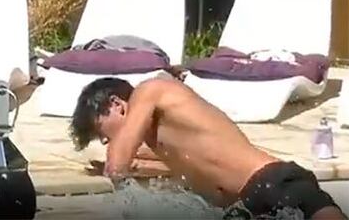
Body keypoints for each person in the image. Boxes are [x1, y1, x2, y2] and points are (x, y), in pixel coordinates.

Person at [70, 75, 346, 220]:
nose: (105, 141)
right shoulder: (163, 139)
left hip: (274, 182)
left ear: (117, 104)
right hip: (245, 207)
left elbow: (118, 162)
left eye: (100, 131)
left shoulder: (150, 90)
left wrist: (116, 169)